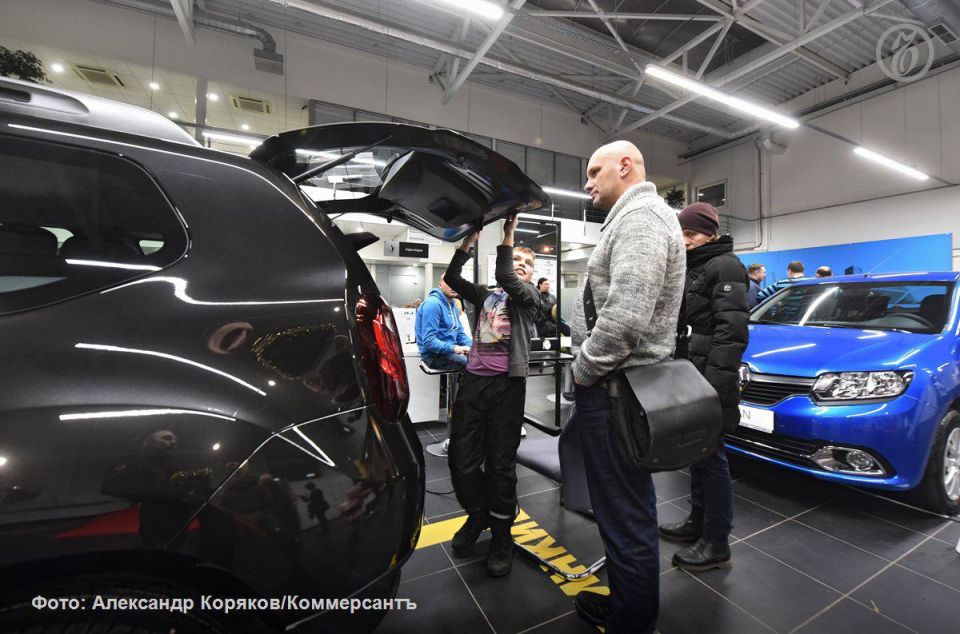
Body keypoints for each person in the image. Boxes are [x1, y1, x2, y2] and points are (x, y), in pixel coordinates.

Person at [569, 140, 685, 633]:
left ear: (625, 166)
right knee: (626, 508)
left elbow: (625, 318)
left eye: (594, 172)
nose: (588, 184)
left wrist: (583, 369)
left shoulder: (641, 218)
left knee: (624, 513)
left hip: (615, 389)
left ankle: (631, 621)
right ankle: (627, 607)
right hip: (619, 386)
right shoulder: (636, 218)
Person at [443, 215, 540, 577]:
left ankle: (501, 536)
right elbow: (452, 279)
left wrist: (508, 235)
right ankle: (478, 515)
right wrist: (468, 242)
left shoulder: (528, 297)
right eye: (518, 259)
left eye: (527, 264)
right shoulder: (485, 295)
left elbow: (507, 277)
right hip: (473, 384)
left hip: (506, 389)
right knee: (461, 460)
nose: (521, 265)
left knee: (500, 466)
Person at [658, 202, 749, 572]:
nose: (685, 240)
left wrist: (714, 386)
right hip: (690, 372)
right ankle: (698, 521)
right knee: (698, 451)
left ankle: (717, 540)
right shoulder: (694, 266)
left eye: (692, 233)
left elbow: (732, 332)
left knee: (711, 455)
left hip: (709, 378)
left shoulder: (725, 265)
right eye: (681, 233)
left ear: (710, 234)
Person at [414, 279, 472, 371]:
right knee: (475, 365)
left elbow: (460, 335)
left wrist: (476, 347)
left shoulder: (453, 307)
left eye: (456, 283)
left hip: (450, 351)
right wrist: (454, 348)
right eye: (449, 283)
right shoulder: (433, 304)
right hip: (434, 356)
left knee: (484, 360)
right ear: (440, 285)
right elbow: (429, 340)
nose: (453, 286)